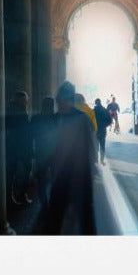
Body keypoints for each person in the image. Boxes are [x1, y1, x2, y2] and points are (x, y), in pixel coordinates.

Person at [42, 81, 96, 235]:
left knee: (83, 216)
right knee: (64, 215)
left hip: (77, 175)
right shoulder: (78, 118)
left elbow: (87, 150)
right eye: (59, 101)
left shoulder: (78, 119)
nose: (60, 104)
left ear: (68, 101)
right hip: (65, 174)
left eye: (62, 101)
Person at [6, 91, 32, 206]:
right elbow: (24, 131)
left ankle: (13, 197)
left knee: (11, 173)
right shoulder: (20, 112)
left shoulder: (10, 110)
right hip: (20, 147)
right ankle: (19, 196)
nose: (27, 102)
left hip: (13, 146)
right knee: (23, 171)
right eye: (25, 100)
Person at [31, 96, 58, 209]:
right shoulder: (57, 118)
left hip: (41, 152)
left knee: (41, 180)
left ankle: (44, 204)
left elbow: (31, 135)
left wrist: (32, 149)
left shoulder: (36, 118)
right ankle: (54, 203)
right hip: (55, 153)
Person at [93, 97, 112, 165]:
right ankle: (102, 160)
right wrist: (104, 125)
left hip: (95, 130)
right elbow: (110, 121)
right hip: (103, 130)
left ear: (95, 103)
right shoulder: (105, 110)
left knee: (95, 146)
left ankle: (96, 160)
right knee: (102, 145)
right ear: (100, 102)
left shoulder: (93, 111)